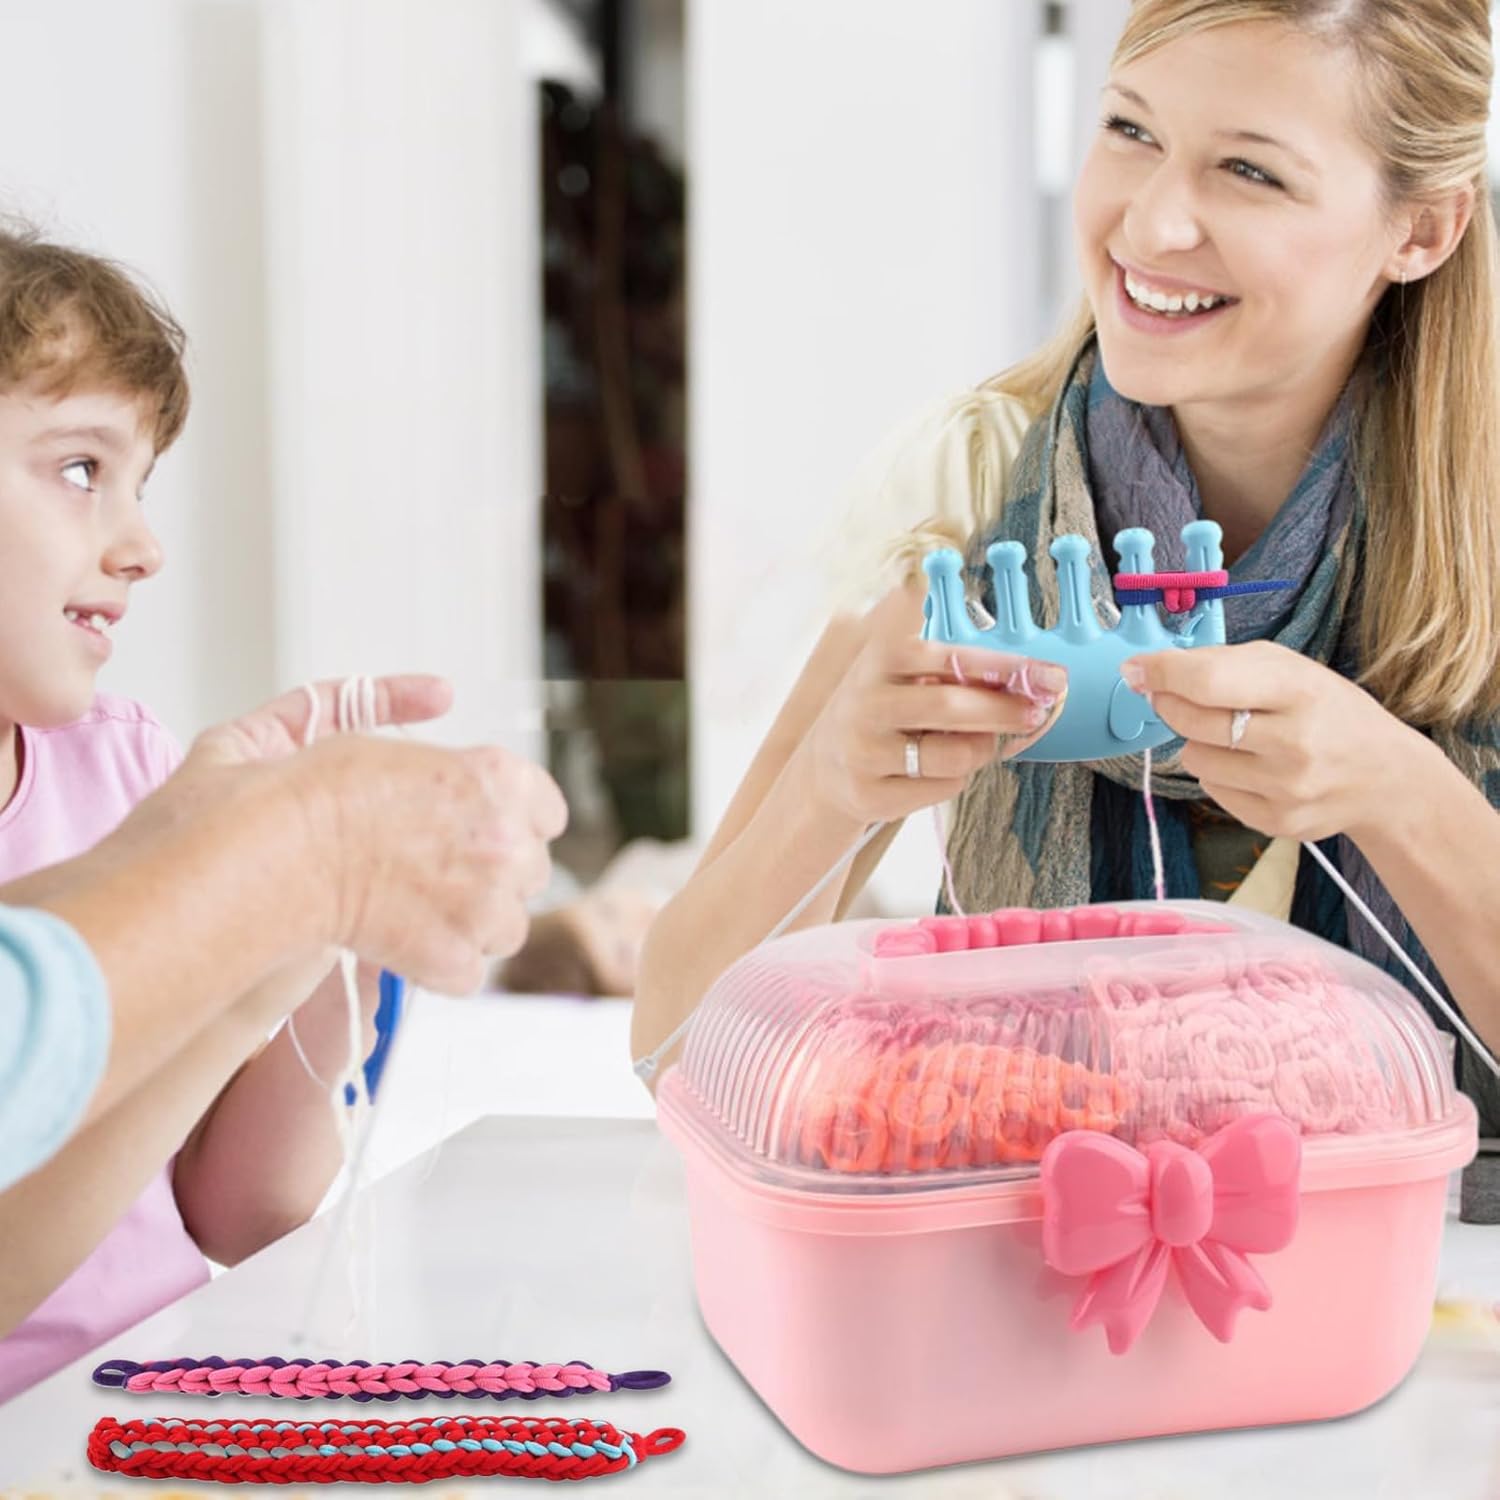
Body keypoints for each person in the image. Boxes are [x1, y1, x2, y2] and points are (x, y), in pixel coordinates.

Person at [633, 0, 1500, 1140]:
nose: (1152, 223)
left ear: (1422, 230)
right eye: (1131, 130)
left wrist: (1398, 791)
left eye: (1250, 170)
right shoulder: (970, 493)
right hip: (1033, 1244)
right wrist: (830, 792)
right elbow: (673, 1048)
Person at [0, 224, 565, 1399]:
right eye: (81, 469)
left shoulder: (128, 767)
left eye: (141, 485)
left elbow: (245, 1208)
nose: (143, 546)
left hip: (157, 1403)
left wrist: (326, 926)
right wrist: (294, 863)